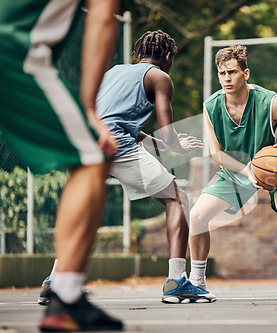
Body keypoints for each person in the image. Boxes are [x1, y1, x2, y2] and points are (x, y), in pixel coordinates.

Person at [37, 30, 213, 305]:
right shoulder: (160, 77)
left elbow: (115, 119)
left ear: (139, 53)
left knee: (85, 214)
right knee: (178, 200)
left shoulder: (115, 72)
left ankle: (56, 280)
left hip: (84, 142)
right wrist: (176, 145)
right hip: (115, 146)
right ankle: (176, 281)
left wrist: (163, 145)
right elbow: (167, 134)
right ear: (167, 56)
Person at [0, 0, 123, 331]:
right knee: (93, 157)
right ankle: (65, 297)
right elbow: (102, 18)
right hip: (13, 51)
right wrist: (89, 109)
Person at [188, 45, 277, 300]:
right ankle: (197, 282)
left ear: (246, 73)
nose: (226, 78)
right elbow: (217, 153)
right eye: (221, 73)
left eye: (232, 72)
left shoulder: (269, 101)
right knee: (197, 215)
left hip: (273, 167)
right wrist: (246, 169)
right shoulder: (211, 106)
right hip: (235, 169)